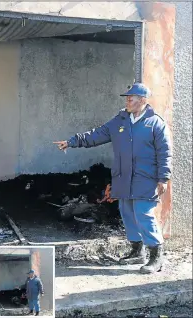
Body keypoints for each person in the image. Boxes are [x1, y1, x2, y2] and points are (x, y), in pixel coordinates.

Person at [54, 83, 172, 274]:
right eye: (126, 97)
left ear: (142, 100)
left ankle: (156, 257)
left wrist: (163, 178)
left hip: (146, 178)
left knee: (143, 213)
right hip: (123, 177)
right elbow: (97, 134)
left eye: (131, 97)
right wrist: (72, 142)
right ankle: (137, 251)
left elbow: (165, 152)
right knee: (127, 213)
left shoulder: (155, 123)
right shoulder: (120, 120)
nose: (127, 100)